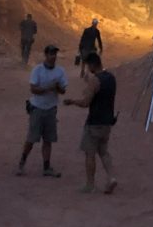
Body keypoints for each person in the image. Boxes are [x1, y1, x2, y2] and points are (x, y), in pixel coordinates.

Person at [64, 52, 118, 194]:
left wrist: (72, 101)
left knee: (90, 153)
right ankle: (111, 177)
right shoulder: (111, 78)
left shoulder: (95, 80)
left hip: (95, 121)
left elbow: (85, 102)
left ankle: (90, 185)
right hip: (107, 121)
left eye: (89, 66)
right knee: (104, 152)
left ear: (93, 64)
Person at [16, 44, 68, 177]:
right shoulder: (37, 70)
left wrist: (57, 87)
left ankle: (46, 167)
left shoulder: (60, 71)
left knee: (48, 139)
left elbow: (63, 90)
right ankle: (22, 162)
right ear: (46, 55)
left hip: (51, 109)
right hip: (37, 108)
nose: (53, 56)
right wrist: (48, 88)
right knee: (31, 139)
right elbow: (33, 89)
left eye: (55, 54)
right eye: (51, 54)